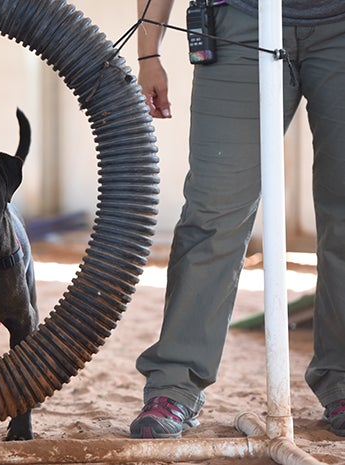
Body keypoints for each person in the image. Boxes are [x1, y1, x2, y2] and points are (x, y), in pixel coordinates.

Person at [130, 0, 345, 439]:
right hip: (239, 25)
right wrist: (148, 52)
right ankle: (175, 384)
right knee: (213, 211)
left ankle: (342, 380)